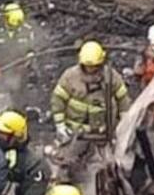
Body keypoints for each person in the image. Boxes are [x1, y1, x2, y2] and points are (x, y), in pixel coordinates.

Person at [50, 42, 130, 180]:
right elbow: (58, 99)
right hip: (77, 132)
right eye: (88, 66)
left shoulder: (111, 76)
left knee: (111, 167)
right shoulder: (70, 76)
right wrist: (60, 125)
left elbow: (122, 98)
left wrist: (124, 121)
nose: (91, 69)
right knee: (65, 163)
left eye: (94, 66)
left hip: (104, 132)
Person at [0, 2, 36, 100]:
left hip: (18, 73)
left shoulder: (27, 30)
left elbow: (31, 50)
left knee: (19, 97)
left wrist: (27, 62)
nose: (15, 27)